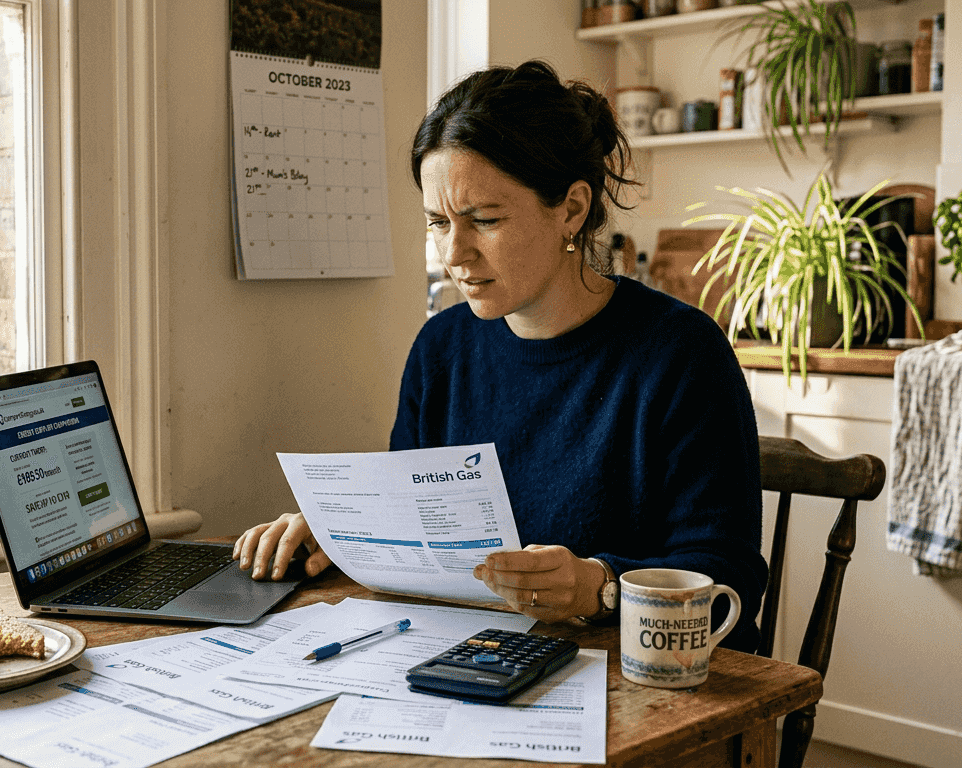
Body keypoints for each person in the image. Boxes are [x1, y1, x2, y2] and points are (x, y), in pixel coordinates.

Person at [233, 60, 766, 652]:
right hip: (474, 658)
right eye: (438, 222)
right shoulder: (442, 348)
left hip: (635, 684)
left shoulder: (681, 355)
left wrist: (599, 586)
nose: (455, 253)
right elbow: (417, 520)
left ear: (571, 208)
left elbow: (730, 575)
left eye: (484, 220)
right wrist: (341, 535)